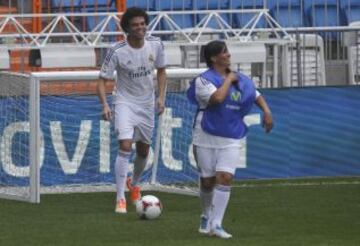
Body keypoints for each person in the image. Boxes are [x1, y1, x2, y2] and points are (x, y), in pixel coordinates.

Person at [187, 40, 273, 238]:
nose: (228, 55)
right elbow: (216, 99)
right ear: (213, 58)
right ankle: (206, 214)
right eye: (224, 52)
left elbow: (255, 94)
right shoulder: (203, 80)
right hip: (206, 133)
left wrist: (267, 111)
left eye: (227, 51)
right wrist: (228, 80)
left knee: (225, 178)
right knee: (207, 181)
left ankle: (216, 224)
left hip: (232, 134)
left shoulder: (241, 79)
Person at [97, 7, 167, 214]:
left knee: (144, 150)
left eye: (143, 24)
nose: (140, 28)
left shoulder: (156, 44)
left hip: (146, 104)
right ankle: (120, 198)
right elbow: (101, 81)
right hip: (124, 102)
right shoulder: (117, 50)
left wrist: (161, 97)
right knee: (125, 146)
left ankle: (134, 185)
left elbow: (162, 72)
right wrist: (105, 105)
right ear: (127, 28)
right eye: (135, 25)